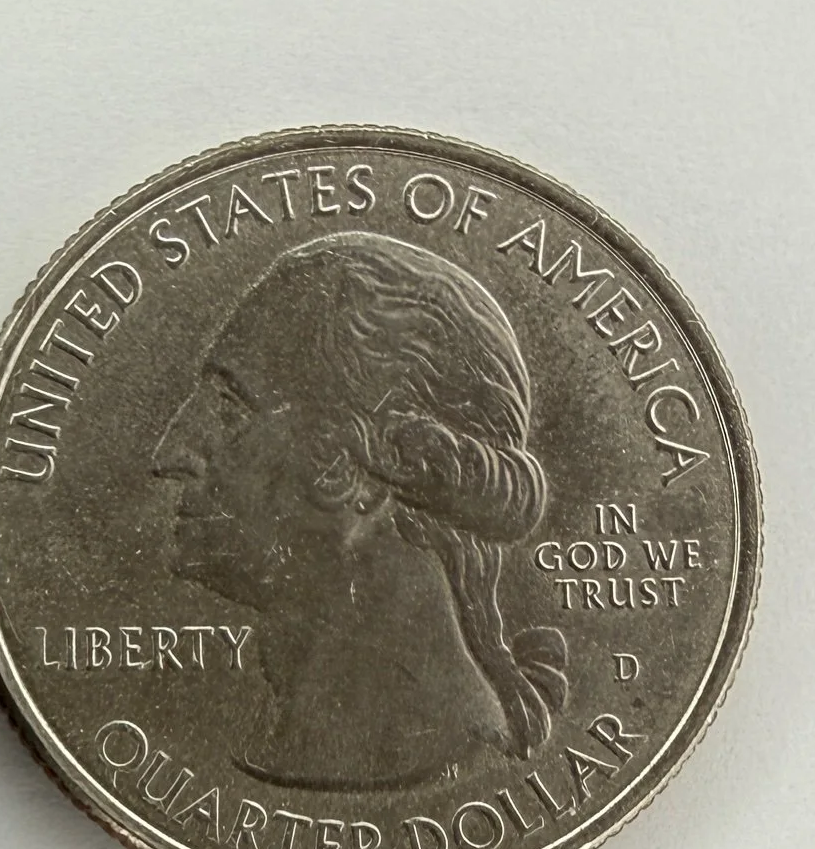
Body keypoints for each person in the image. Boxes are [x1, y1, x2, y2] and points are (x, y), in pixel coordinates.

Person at [150, 230, 568, 791]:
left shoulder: (420, 745)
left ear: (356, 470)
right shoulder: (309, 739)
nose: (170, 455)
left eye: (230, 410)